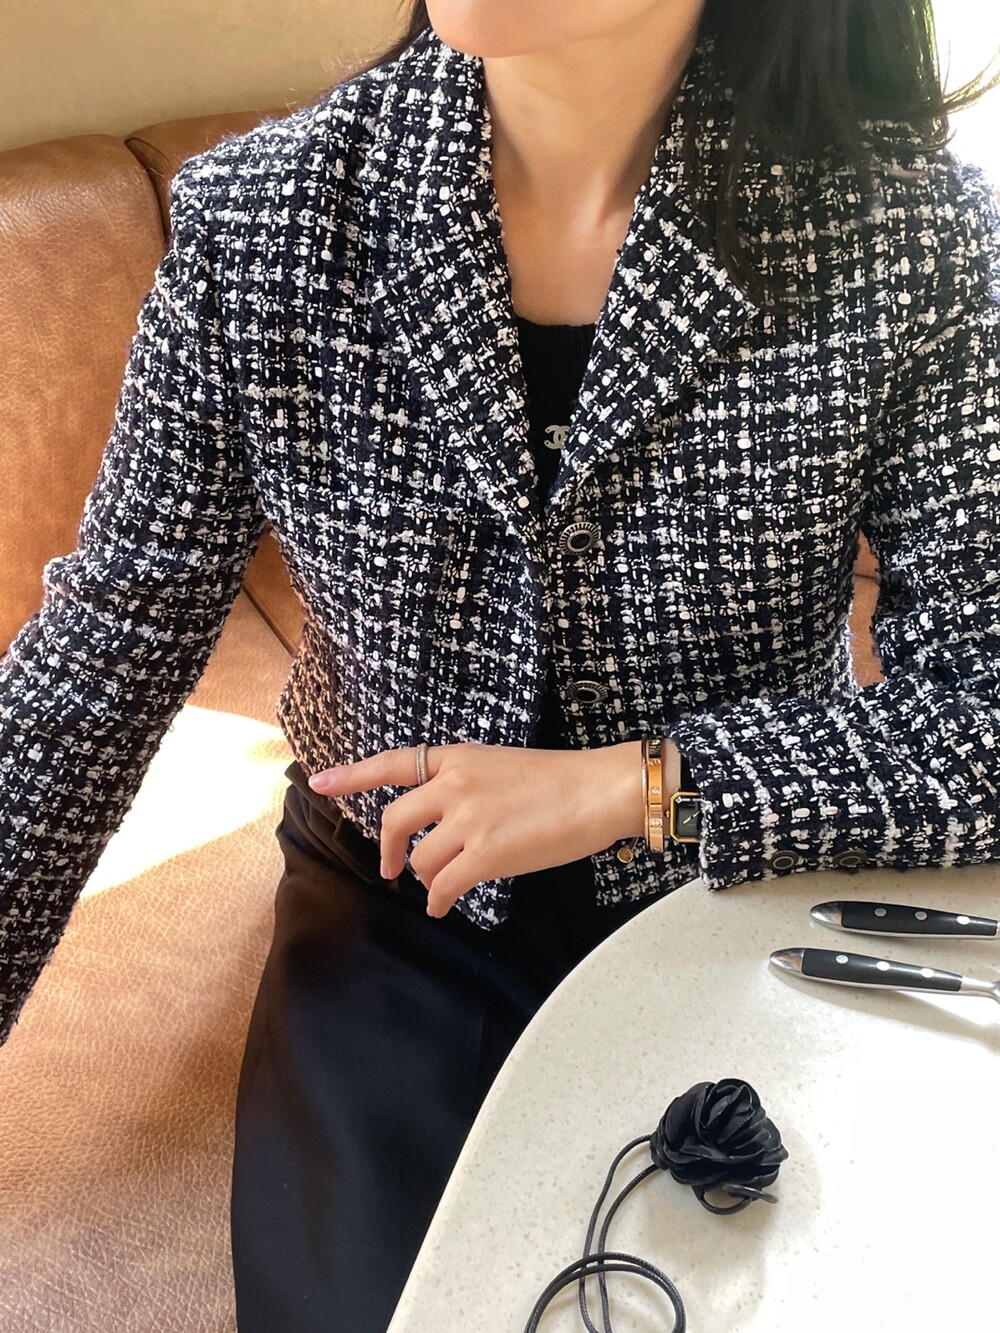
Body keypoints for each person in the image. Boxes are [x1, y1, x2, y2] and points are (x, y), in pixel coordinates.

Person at [2, 1, 999, 1329]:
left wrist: (643, 783)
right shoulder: (266, 218)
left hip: (734, 889)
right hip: (395, 899)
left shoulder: (910, 240)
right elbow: (102, 652)